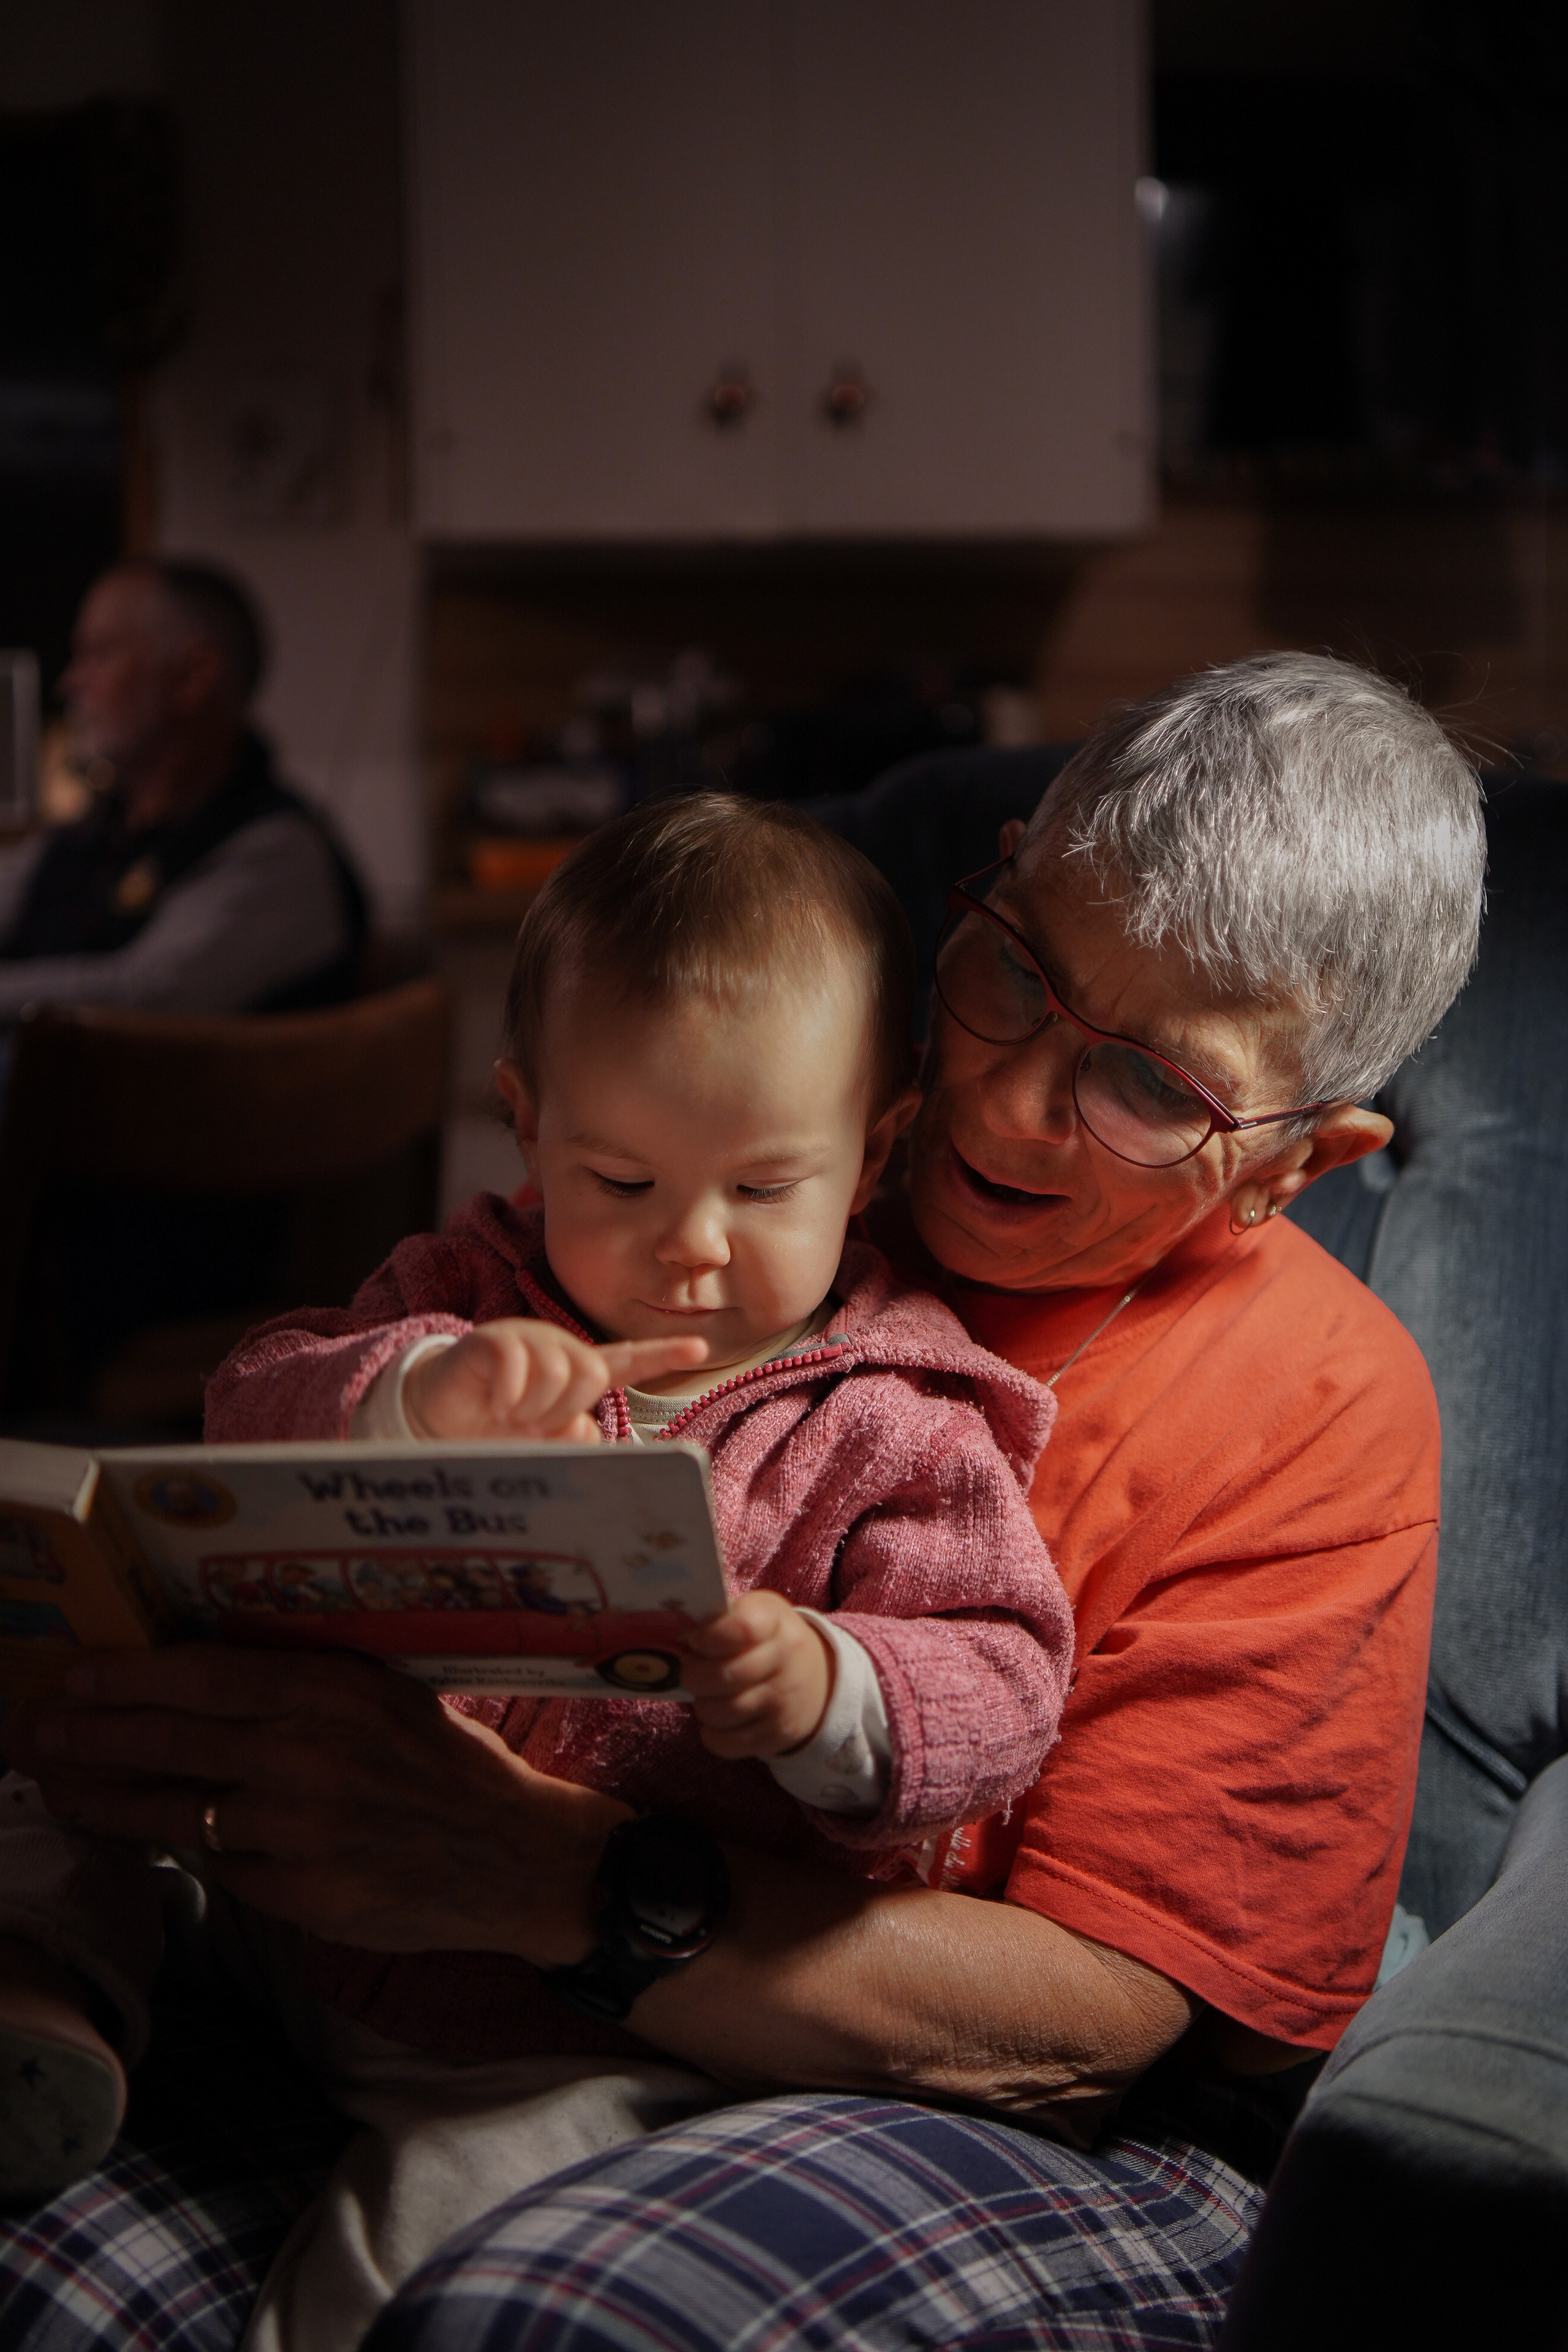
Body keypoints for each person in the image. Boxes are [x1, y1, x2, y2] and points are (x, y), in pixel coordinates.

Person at [0, 654, 1485, 2352]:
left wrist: (553, 1877)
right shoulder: (752, 1116)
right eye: (1014, 969)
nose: (1000, 1101)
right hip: (358, 1951)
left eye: (1157, 1089)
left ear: (1304, 1156)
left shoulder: (1299, 1413)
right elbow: (343, 1362)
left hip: (935, 2090)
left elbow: (1099, 2021)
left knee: (525, 2315)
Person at [0, 797, 1075, 2316]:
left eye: (763, 1187)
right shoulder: (463, 1286)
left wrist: (834, 1687)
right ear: (525, 1122)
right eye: (619, 1181)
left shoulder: (901, 1419)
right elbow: (252, 1397)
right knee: (65, 1761)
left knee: (416, 2269)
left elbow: (1006, 1673)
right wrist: (408, 1394)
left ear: (876, 1144)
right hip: (277, 1884)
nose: (689, 1242)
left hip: (557, 2028)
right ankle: (46, 1990)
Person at [0, 559, 366, 1025]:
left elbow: (141, 995)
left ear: (192, 675)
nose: (71, 682)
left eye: (99, 654)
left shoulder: (283, 853)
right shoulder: (95, 832)